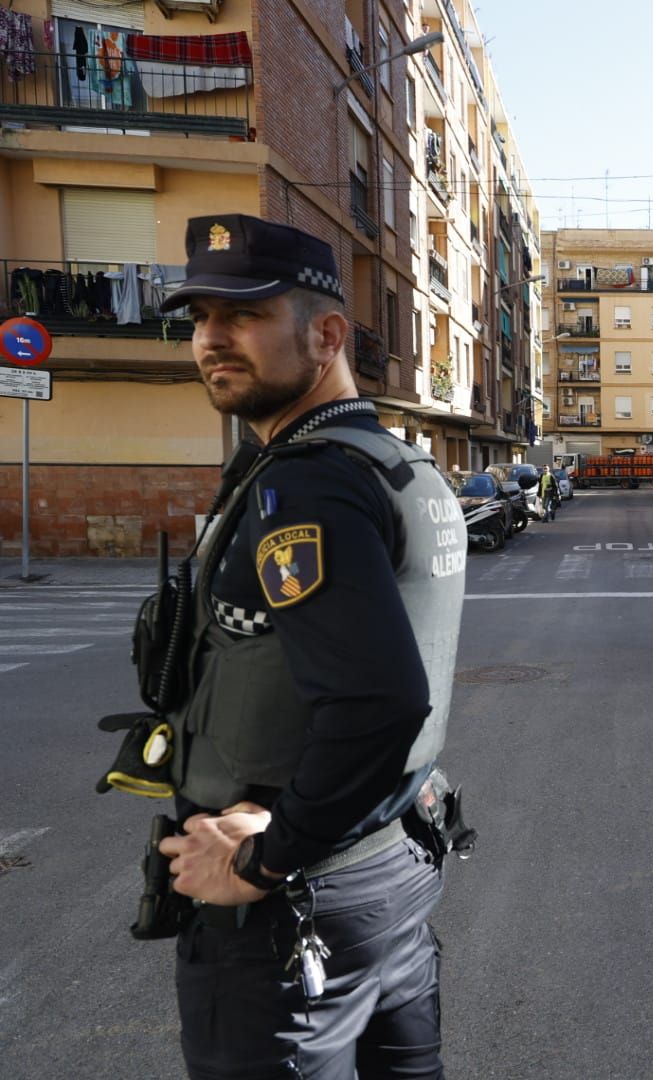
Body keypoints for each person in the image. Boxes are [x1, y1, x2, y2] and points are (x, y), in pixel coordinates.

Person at [140, 214, 469, 1077]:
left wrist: (267, 855)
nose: (212, 338)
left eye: (243, 315)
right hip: (385, 867)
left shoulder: (311, 480)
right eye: (200, 318)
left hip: (300, 898)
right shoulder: (394, 462)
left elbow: (379, 703)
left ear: (325, 335)